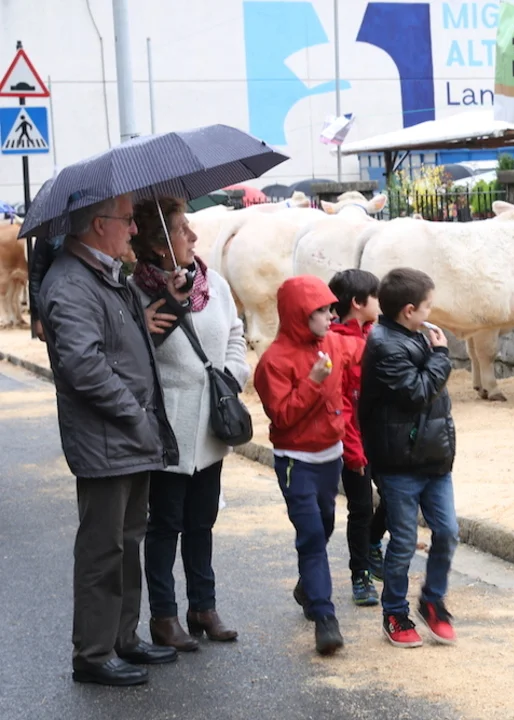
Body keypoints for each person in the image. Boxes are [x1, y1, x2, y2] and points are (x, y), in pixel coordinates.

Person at [38, 192, 180, 686]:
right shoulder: (71, 283)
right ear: (99, 225)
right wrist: (133, 414)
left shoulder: (104, 275)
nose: (134, 229)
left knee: (127, 540)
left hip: (126, 436)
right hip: (107, 437)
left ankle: (123, 638)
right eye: (126, 220)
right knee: (103, 549)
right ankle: (94, 653)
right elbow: (83, 366)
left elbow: (127, 344)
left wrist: (168, 301)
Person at [129, 197, 250, 651]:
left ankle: (204, 606)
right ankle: (164, 616)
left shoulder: (212, 283)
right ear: (159, 245)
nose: (193, 237)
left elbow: (235, 333)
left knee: (202, 521)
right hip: (169, 427)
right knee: (165, 524)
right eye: (182, 230)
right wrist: (166, 307)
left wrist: (232, 376)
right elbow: (137, 356)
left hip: (211, 425)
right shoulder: (136, 294)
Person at [253, 274, 364, 656]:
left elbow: (364, 353)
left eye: (333, 308)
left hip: (330, 458)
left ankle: (308, 584)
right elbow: (282, 417)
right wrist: (314, 382)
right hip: (296, 462)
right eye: (323, 310)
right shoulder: (273, 361)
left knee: (326, 524)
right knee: (313, 536)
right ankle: (324, 617)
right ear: (301, 314)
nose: (332, 316)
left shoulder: (332, 341)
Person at [358, 267, 459, 648]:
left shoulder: (416, 335)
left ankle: (432, 601)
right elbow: (417, 393)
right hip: (399, 462)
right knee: (402, 541)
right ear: (409, 310)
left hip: (434, 458)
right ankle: (395, 612)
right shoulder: (384, 344)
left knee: (447, 532)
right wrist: (442, 356)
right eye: (428, 305)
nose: (432, 312)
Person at [327, 269, 384, 606]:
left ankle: (374, 542)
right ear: (358, 303)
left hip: (381, 439)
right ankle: (360, 574)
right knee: (361, 507)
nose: (380, 302)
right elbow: (343, 403)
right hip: (354, 442)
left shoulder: (377, 335)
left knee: (394, 498)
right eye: (375, 296)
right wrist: (353, 450)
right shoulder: (336, 342)